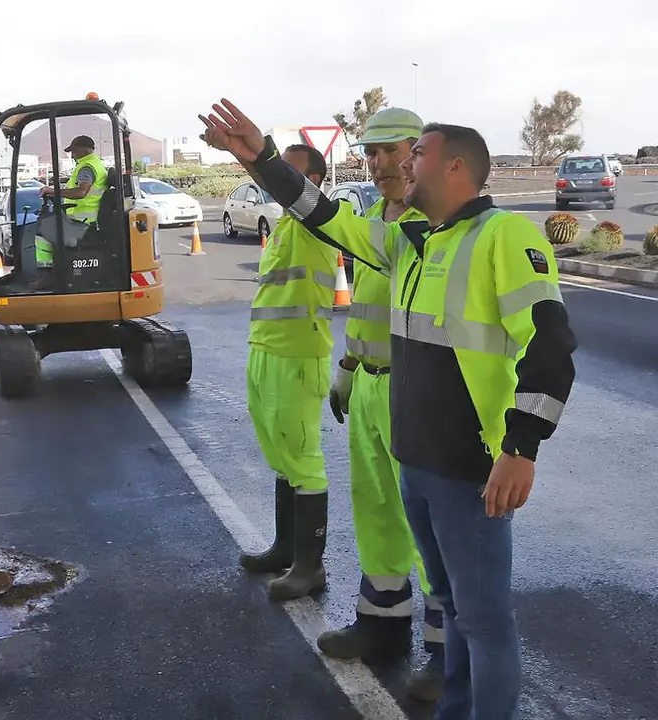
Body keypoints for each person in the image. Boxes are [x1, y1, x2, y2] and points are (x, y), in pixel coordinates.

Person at [198, 99, 577, 719]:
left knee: (481, 620)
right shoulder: (409, 240)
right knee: (455, 608)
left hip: (470, 464)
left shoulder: (503, 235)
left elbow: (551, 344)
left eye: (416, 153)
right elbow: (325, 215)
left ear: (454, 168)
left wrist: (520, 448)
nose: (398, 166)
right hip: (418, 457)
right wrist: (262, 159)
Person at [315, 107, 446, 700]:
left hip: (412, 388)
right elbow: (367, 305)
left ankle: (446, 657)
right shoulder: (371, 215)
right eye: (368, 153)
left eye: (387, 151)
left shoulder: (434, 221)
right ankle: (382, 629)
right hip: (367, 382)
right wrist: (346, 367)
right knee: (376, 514)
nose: (376, 162)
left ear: (416, 152)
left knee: (431, 527)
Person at [237, 142, 340, 602]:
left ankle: (309, 566)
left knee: (303, 459)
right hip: (266, 350)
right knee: (280, 454)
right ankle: (284, 548)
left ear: (312, 183)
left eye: (290, 175)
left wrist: (258, 154)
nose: (278, 183)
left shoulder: (317, 221)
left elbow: (279, 181)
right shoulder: (282, 223)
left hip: (299, 355)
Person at [29, 135, 108, 289]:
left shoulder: (87, 167)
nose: (72, 155)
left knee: (42, 233)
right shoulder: (96, 163)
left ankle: (47, 275)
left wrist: (53, 192)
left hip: (82, 223)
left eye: (74, 151)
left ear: (85, 149)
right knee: (50, 226)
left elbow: (81, 192)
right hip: (85, 220)